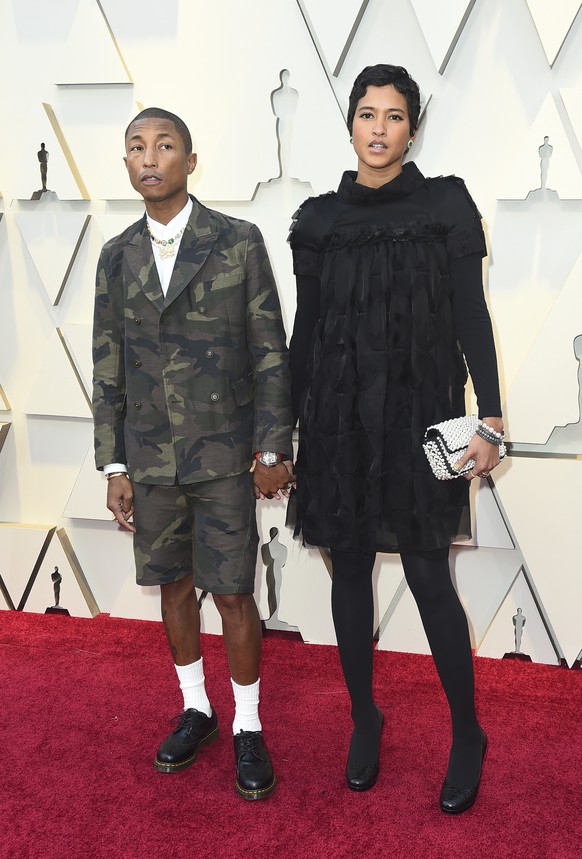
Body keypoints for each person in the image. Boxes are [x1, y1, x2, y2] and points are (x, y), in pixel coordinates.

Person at [288, 65, 504, 813]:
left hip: (421, 418)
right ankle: (364, 718)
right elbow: (303, 333)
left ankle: (468, 732)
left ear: (413, 127)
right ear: (349, 124)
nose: (378, 128)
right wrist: (280, 431)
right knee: (347, 568)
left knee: (427, 574)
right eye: (366, 114)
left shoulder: (445, 204)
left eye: (394, 115)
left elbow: (471, 314)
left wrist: (494, 416)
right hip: (338, 416)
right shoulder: (318, 221)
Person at [92, 107, 293, 800]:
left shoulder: (237, 242)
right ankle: (197, 709)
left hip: (226, 455)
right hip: (149, 461)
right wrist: (113, 463)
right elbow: (108, 365)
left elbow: (270, 350)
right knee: (174, 586)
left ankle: (248, 725)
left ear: (190, 159)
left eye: (164, 145)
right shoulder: (115, 256)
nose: (150, 157)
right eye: (136, 147)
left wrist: (274, 444)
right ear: (127, 164)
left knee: (235, 592)